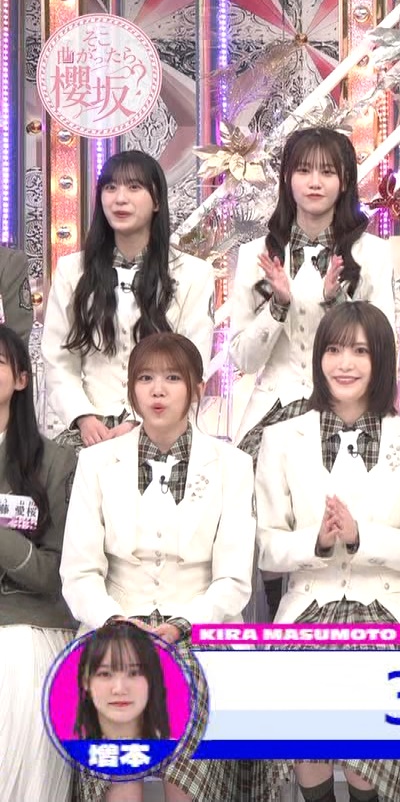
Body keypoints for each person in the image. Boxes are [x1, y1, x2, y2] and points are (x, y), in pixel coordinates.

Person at [255, 301, 400, 802]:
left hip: (389, 610)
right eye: (334, 350)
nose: (345, 364)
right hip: (309, 606)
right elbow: (267, 548)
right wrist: (316, 542)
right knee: (307, 733)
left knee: (367, 743)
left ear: (381, 360)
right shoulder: (281, 439)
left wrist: (361, 538)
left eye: (360, 351)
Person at [61, 332, 255, 802]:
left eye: (172, 378)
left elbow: (233, 579)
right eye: (145, 378)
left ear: (196, 389)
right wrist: (114, 620)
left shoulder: (232, 465)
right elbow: (79, 572)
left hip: (198, 629)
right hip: (115, 625)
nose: (158, 390)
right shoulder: (96, 462)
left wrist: (181, 625)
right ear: (131, 390)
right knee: (114, 687)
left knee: (189, 685)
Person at [231, 127, 396, 455]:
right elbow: (245, 360)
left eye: (327, 172)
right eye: (304, 171)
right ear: (287, 178)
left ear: (345, 181)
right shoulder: (255, 255)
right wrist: (278, 305)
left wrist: (339, 303)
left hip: (349, 409)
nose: (315, 182)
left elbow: (382, 350)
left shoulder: (373, 253)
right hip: (274, 410)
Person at [42, 151, 215, 450]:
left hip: (161, 425)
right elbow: (58, 358)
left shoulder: (194, 273)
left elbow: (192, 360)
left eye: (134, 187)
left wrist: (138, 420)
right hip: (90, 429)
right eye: (110, 187)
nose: (120, 199)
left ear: (157, 201)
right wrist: (83, 416)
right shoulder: (72, 271)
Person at [0, 323, 78, 801]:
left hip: (29, 623)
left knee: (14, 664)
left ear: (22, 379)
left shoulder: (55, 462)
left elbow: (56, 575)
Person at [72, 620, 171, 741]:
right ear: (86, 681)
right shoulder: (68, 749)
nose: (120, 689)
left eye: (134, 673)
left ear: (152, 679)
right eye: (105, 674)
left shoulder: (179, 749)